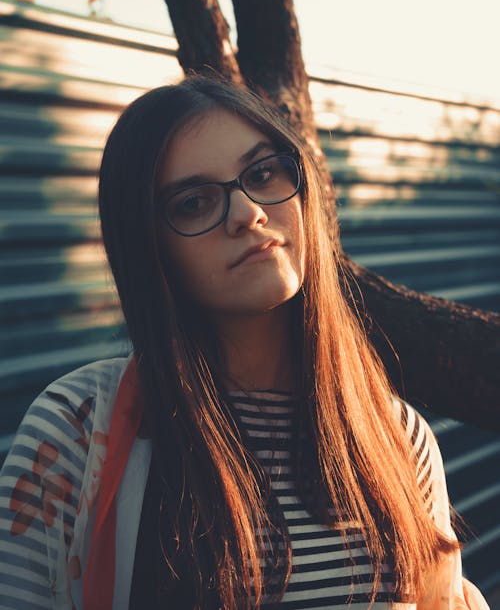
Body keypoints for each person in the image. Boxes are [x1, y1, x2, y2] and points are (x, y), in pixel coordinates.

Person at [0, 76, 489, 610]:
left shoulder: (399, 437)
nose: (247, 213)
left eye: (262, 173)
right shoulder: (76, 430)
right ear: (149, 247)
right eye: (193, 203)